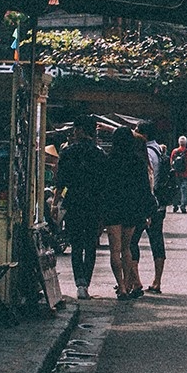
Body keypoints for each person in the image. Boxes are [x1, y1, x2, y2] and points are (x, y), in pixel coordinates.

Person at [57, 118, 106, 301]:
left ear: (79, 130)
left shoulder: (68, 152)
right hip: (94, 204)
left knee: (76, 245)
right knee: (91, 244)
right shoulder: (99, 154)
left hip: (74, 203)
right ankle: (86, 282)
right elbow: (104, 183)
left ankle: (80, 283)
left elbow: (61, 181)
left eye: (75, 129)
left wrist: (56, 203)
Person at [101, 124, 153, 299]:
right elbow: (144, 189)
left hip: (113, 207)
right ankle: (130, 285)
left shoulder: (108, 161)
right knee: (127, 248)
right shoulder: (138, 162)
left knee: (114, 250)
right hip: (131, 208)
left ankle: (121, 286)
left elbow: (102, 188)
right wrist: (146, 212)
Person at [133, 128, 169, 294]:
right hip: (159, 203)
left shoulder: (146, 153)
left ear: (143, 134)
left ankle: (135, 281)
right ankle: (157, 281)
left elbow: (150, 182)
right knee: (156, 240)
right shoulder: (159, 150)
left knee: (132, 241)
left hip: (147, 203)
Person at [169, 135, 187, 213]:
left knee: (176, 189)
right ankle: (183, 206)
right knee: (184, 190)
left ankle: (175, 205)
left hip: (176, 174)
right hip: (185, 173)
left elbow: (171, 162)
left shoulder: (174, 151)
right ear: (186, 143)